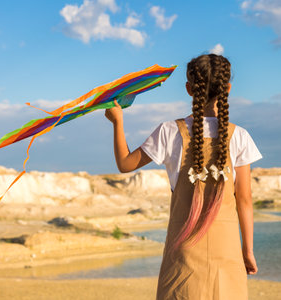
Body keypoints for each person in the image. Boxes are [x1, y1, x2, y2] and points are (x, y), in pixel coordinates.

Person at [105, 53, 262, 300]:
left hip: (183, 254)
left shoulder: (169, 131)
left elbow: (125, 164)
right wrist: (248, 251)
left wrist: (117, 122)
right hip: (228, 251)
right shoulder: (240, 136)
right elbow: (244, 200)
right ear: (228, 88)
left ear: (189, 89)